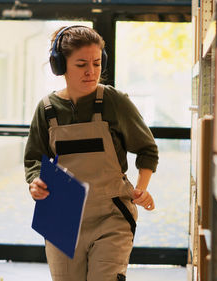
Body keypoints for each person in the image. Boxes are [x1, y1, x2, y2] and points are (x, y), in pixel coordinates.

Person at [23, 25, 159, 281]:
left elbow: (147, 149)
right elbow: (34, 158)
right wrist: (35, 182)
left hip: (111, 215)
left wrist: (141, 188)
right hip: (61, 216)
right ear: (61, 65)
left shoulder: (114, 101)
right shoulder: (46, 109)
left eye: (97, 63)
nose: (91, 71)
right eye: (81, 64)